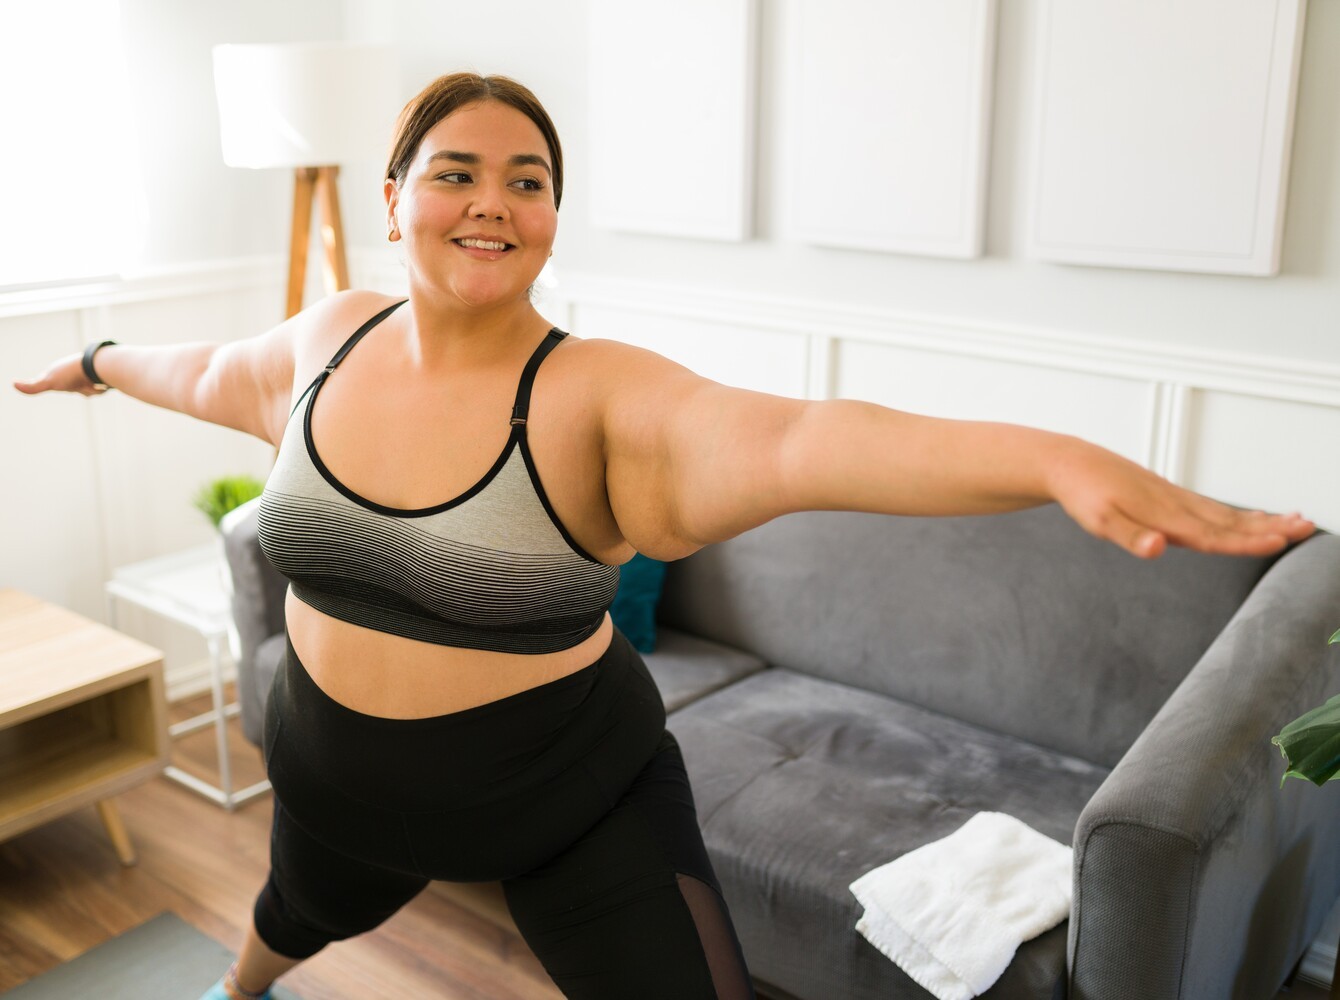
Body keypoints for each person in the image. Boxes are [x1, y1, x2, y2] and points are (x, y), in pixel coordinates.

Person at [12, 72, 1314, 1000]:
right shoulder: (320, 339)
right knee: (292, 916)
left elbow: (814, 438)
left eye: (528, 181)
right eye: (456, 170)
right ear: (396, 190)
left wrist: (1052, 458)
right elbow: (191, 367)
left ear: (550, 218)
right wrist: (93, 353)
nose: (491, 200)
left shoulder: (597, 394)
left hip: (564, 796)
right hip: (333, 769)